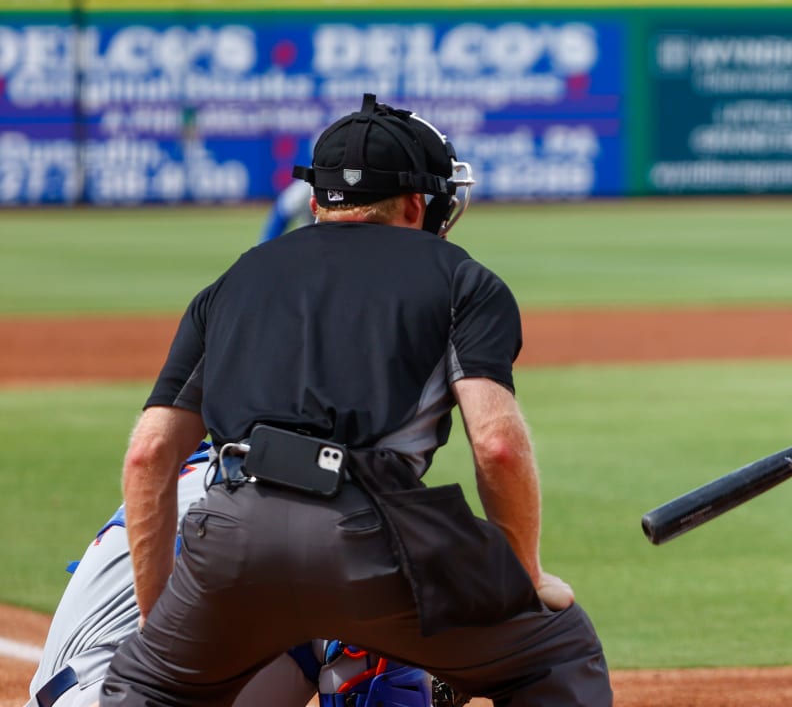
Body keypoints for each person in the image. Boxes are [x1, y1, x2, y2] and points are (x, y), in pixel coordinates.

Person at [99, 94, 612, 706]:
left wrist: (162, 632)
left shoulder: (237, 278)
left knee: (146, 688)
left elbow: (149, 456)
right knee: (557, 651)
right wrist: (523, 577)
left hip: (229, 537)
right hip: (372, 533)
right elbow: (498, 446)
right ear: (421, 204)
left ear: (318, 202)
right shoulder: (460, 277)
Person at [26, 445, 443, 707]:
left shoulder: (212, 471)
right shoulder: (302, 493)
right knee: (375, 619)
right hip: (114, 693)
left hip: (91, 691)